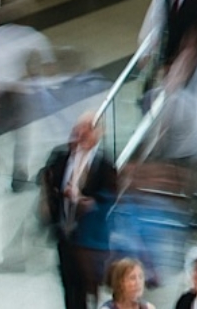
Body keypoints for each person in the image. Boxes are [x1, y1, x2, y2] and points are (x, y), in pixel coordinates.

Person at [41, 112, 118, 309]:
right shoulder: (61, 157)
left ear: (99, 132)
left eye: (88, 128)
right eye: (79, 127)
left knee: (86, 287)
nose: (82, 132)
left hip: (88, 239)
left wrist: (88, 202)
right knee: (68, 285)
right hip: (65, 234)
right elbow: (47, 182)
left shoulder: (104, 164)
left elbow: (110, 198)